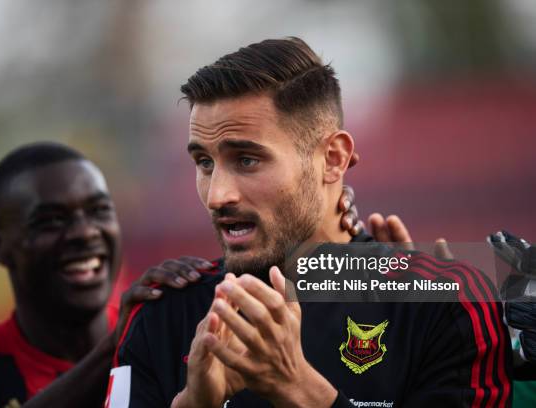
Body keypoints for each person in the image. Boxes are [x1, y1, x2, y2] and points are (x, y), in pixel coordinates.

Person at [109, 37, 512, 407]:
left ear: (333, 158)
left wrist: (298, 389)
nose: (217, 195)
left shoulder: (446, 305)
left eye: (247, 160)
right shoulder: (162, 315)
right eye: (204, 162)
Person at [0, 142, 361, 407]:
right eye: (51, 221)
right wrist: (112, 348)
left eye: (98, 212)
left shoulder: (174, 330)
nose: (83, 233)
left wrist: (352, 247)